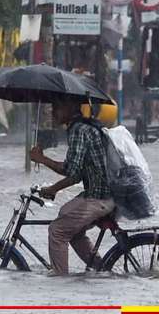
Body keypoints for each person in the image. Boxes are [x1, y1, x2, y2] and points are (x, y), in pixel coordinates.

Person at [29, 99, 115, 275]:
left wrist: (42, 159)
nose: (53, 113)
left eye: (56, 107)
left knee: (57, 231)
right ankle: (102, 271)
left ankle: (60, 281)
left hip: (99, 197)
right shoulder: (85, 127)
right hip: (105, 195)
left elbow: (70, 169)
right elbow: (78, 174)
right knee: (67, 219)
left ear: (69, 107)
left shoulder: (79, 130)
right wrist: (54, 189)